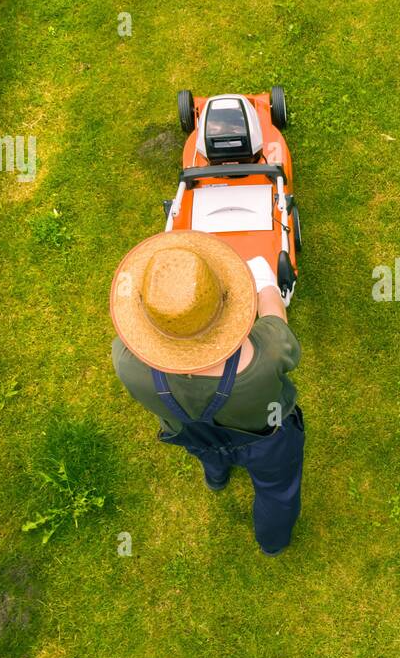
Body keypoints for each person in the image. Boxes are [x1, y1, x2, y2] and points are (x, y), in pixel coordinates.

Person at [109, 231, 303, 556]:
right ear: (225, 304)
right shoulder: (267, 351)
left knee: (209, 453)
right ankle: (272, 542)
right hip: (267, 439)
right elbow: (276, 322)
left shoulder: (125, 361)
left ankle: (216, 477)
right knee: (276, 489)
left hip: (190, 434)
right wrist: (265, 281)